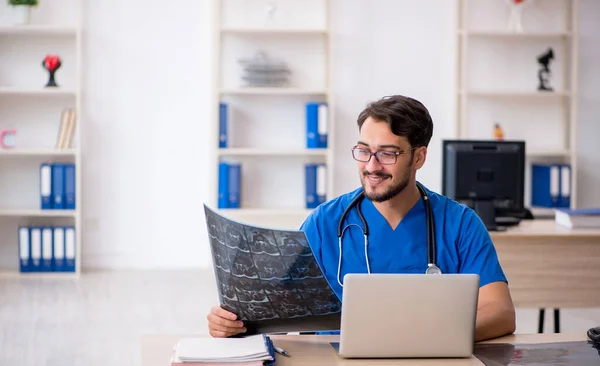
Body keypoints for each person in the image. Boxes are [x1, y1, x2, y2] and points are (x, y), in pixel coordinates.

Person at [207, 95, 516, 342]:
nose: (371, 165)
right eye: (363, 151)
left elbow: (500, 312)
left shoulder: (460, 224)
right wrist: (234, 324)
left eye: (387, 153)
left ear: (419, 157)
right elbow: (277, 317)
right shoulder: (325, 223)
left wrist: (415, 338)